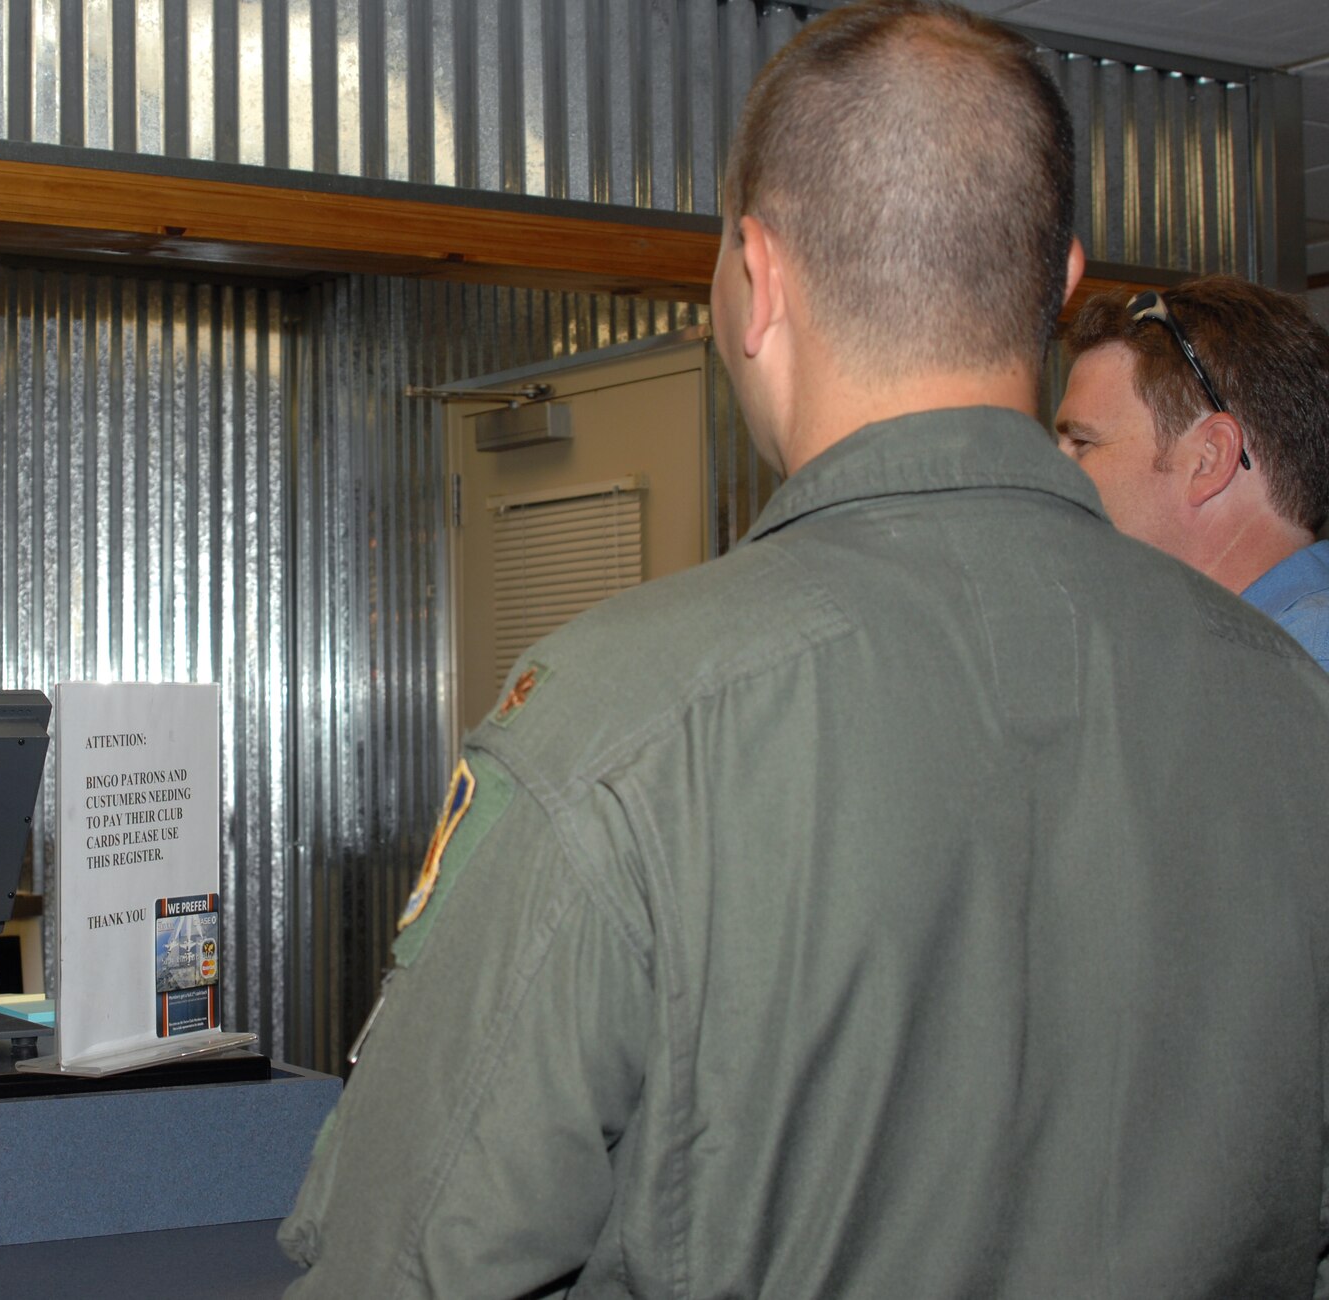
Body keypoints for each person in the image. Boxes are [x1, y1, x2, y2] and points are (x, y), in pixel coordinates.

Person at [279, 3, 1329, 1296]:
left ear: (759, 281)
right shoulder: (1292, 706)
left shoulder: (623, 725)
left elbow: (413, 1263)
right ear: (1061, 283)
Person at [1055, 274, 1329, 669]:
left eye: (1082, 443)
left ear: (1209, 459)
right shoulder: (1213, 657)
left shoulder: (1303, 670)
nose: (1049, 471)